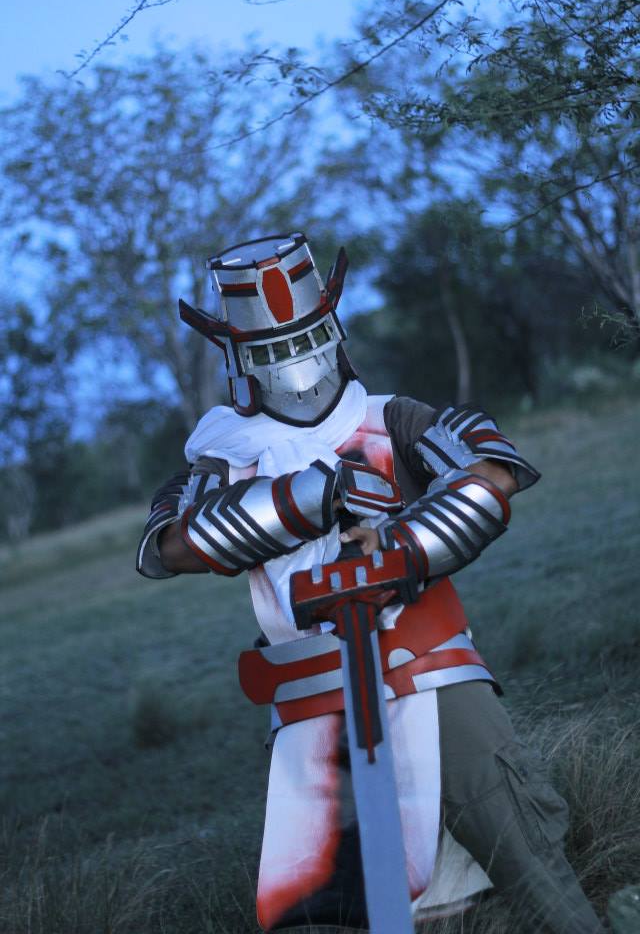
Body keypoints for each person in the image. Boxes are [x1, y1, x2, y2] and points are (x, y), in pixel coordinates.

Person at [136, 232, 604, 933]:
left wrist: (400, 543)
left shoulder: (391, 419)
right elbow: (171, 546)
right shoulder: (224, 453)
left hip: (427, 668)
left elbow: (494, 472)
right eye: (270, 348)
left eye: (305, 337)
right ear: (237, 355)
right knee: (340, 899)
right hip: (310, 695)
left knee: (520, 853)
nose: (294, 362)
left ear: (332, 328)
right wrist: (307, 497)